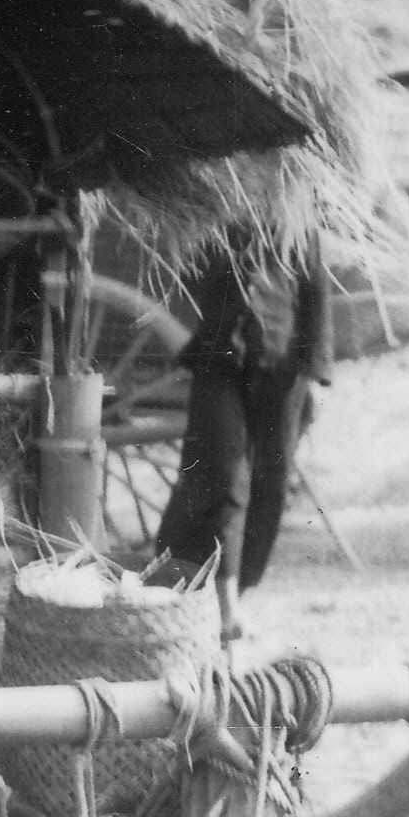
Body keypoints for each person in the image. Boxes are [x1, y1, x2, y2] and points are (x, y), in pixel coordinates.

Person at [151, 230, 331, 605]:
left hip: (282, 363)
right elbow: (189, 274)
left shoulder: (299, 216)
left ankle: (240, 589)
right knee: (219, 470)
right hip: (220, 358)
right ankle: (219, 599)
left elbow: (315, 287)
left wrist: (314, 364)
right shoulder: (222, 213)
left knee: (271, 479)